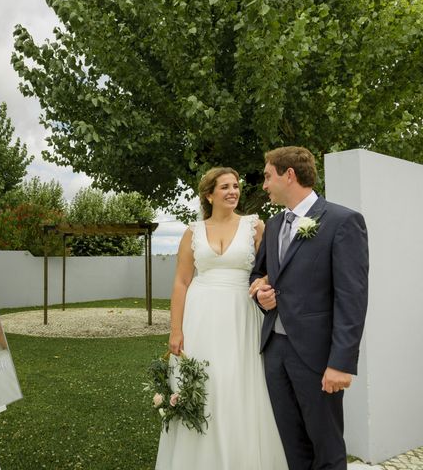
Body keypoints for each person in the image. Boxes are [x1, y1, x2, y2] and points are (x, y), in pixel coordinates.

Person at [156, 167, 288, 469]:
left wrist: (262, 282)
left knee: (237, 383)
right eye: (225, 186)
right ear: (209, 194)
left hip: (241, 315)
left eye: (236, 186)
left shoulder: (255, 227)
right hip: (200, 317)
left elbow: (272, 269)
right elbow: (181, 282)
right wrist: (175, 330)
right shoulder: (193, 232)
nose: (233, 191)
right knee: (205, 385)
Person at [251, 146, 369, 470]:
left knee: (327, 448)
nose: (264, 185)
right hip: (275, 352)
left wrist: (341, 363)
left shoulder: (343, 221)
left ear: (289, 175)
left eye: (267, 176)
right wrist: (261, 294)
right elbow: (259, 276)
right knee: (293, 446)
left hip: (318, 357)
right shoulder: (273, 225)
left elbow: (352, 298)